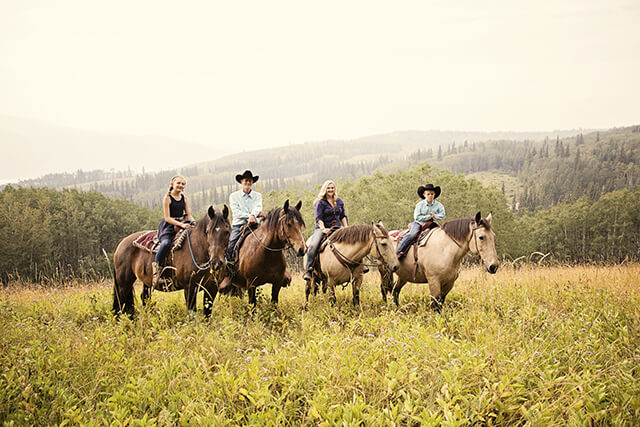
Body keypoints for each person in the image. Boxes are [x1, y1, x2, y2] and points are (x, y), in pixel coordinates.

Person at [152, 175, 195, 287]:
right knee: (166, 243)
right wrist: (181, 224)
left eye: (183, 184)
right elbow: (167, 218)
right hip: (169, 226)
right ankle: (156, 268)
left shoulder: (184, 198)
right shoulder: (167, 198)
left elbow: (188, 214)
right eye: (178, 183)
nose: (180, 185)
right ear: (172, 184)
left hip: (182, 223)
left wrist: (194, 222)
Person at [303, 180, 348, 281]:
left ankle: (357, 267)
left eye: (332, 188)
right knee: (314, 245)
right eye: (328, 188)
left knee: (352, 241)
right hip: (323, 228)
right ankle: (309, 269)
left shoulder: (339, 201)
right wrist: (323, 229)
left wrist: (346, 227)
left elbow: (343, 216)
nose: (331, 190)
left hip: (338, 227)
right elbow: (319, 219)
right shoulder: (320, 203)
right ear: (325, 189)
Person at [396, 183, 446, 259]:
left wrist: (435, 216)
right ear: (424, 194)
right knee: (413, 234)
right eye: (428, 194)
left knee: (442, 235)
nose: (430, 195)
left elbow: (443, 215)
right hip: (419, 223)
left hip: (432, 224)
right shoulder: (419, 205)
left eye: (432, 194)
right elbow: (417, 217)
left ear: (434, 194)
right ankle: (398, 251)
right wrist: (429, 216)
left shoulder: (439, 205)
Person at [225, 170, 263, 263]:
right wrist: (251, 216)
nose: (248, 183)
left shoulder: (258, 196)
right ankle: (229, 268)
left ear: (252, 182)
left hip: (255, 225)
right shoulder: (233, 196)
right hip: (239, 225)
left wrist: (253, 215)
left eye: (250, 181)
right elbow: (236, 212)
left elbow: (258, 207)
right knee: (231, 246)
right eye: (246, 180)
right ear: (241, 181)